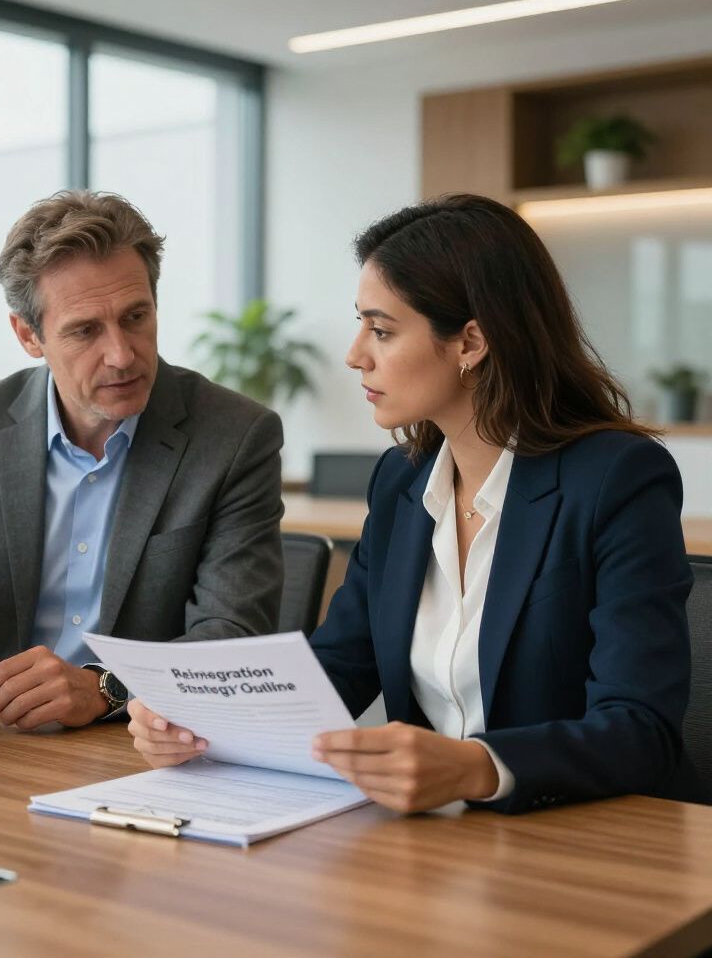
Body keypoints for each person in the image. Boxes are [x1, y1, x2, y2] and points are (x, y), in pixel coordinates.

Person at [127, 193, 706, 815]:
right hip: (439, 842)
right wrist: (201, 724)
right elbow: (338, 667)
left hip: (590, 840)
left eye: (381, 329)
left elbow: (638, 728)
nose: (356, 354)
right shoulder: (402, 484)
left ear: (471, 342)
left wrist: (479, 767)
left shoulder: (617, 480)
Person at [0, 190, 283, 732]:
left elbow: (234, 636)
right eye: (85, 330)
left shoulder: (233, 435)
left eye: (135, 317)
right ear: (28, 336)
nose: (121, 354)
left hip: (140, 749)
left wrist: (106, 687)